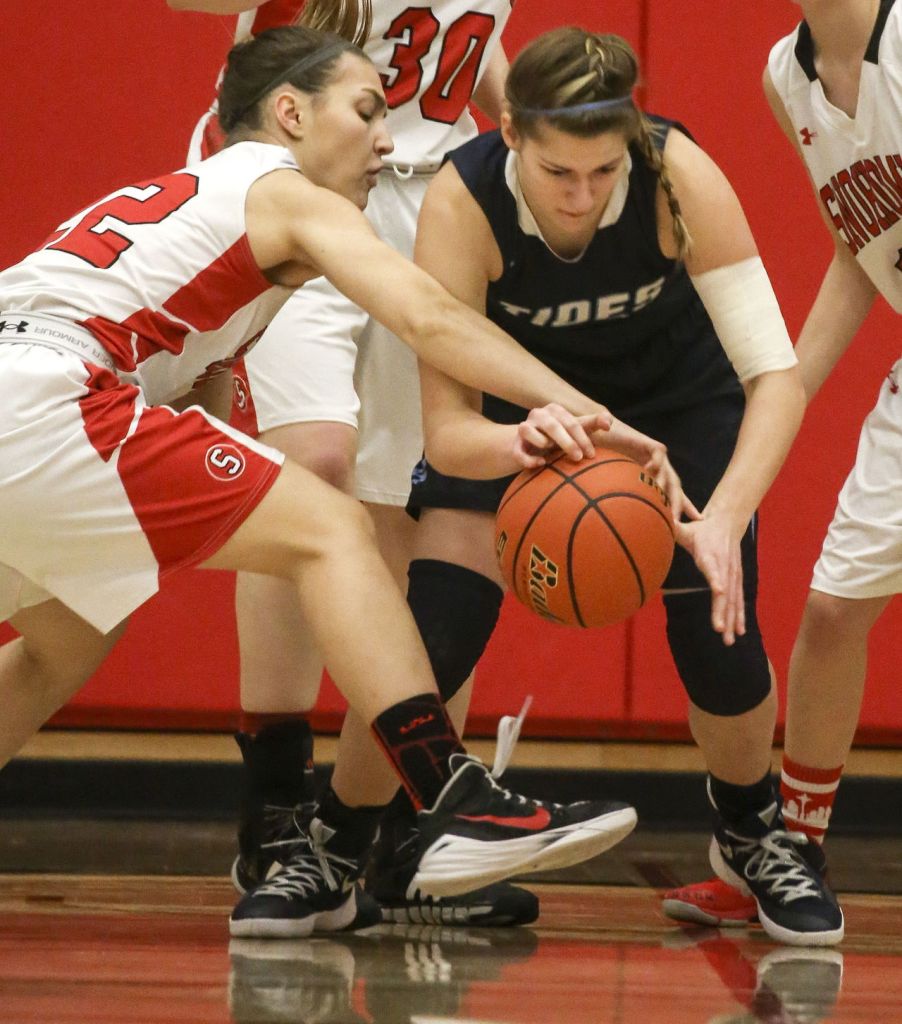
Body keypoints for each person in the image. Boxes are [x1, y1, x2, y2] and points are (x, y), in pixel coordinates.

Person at [0, 24, 673, 938]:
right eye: (366, 111)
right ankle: (451, 796)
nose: (387, 140)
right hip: (55, 396)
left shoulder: (184, 206)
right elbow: (430, 317)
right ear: (290, 113)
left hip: (28, 393)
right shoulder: (280, 188)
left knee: (61, 643)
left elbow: (193, 400)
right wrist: (587, 412)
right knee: (334, 527)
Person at [388, 24, 848, 948]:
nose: (583, 194)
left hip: (678, 404)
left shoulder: (680, 175)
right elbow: (447, 431)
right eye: (560, 172)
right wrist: (521, 438)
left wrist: (725, 520)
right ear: (511, 132)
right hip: (527, 414)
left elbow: (776, 379)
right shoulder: (463, 201)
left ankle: (752, 832)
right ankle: (393, 845)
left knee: (720, 637)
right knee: (435, 626)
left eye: (604, 171)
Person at [167, 0, 531, 927]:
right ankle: (276, 802)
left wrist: (522, 128)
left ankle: (415, 826)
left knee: (429, 506)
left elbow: (471, 44)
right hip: (299, 184)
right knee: (308, 475)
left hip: (434, 197)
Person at [663, 0, 901, 934]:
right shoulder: (784, 75)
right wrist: (783, 388)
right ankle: (789, 848)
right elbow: (860, 247)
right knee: (835, 611)